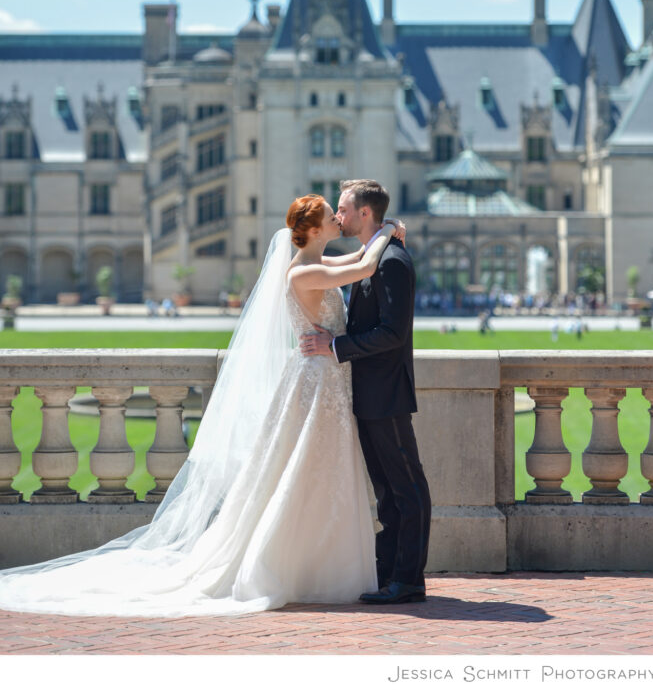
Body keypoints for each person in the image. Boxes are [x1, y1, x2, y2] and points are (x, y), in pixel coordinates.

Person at [0, 196, 400, 618]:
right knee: (308, 470)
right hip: (316, 385)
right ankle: (293, 565)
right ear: (315, 229)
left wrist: (380, 233)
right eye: (328, 215)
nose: (338, 219)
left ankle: (318, 565)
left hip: (326, 380)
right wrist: (389, 231)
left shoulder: (316, 262)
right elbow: (364, 267)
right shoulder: (303, 270)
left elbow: (357, 257)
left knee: (321, 471)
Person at [301, 179, 432, 605]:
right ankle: (389, 572)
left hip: (386, 394)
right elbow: (361, 269)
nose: (337, 216)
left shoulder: (392, 259)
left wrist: (336, 347)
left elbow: (392, 333)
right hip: (368, 394)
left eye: (342, 208)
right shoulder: (375, 253)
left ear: (363, 213)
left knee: (407, 488)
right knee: (386, 492)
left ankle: (408, 579)